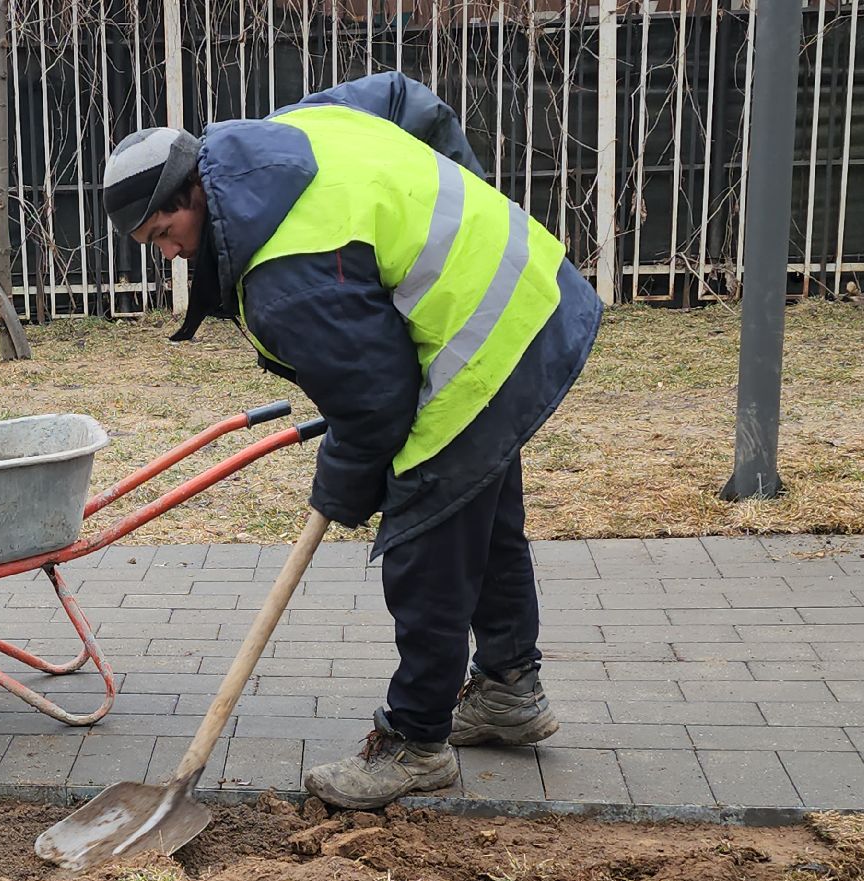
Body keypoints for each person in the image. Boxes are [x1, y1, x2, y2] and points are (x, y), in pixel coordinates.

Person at [104, 72, 603, 810]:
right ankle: (507, 690)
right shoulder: (287, 133)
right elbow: (407, 100)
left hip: (480, 340)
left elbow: (375, 407)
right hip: (528, 283)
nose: (170, 257)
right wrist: (474, 211)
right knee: (482, 517)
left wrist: (341, 490)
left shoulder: (283, 275)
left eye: (164, 235)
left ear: (193, 193)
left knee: (425, 536)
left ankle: (417, 744)